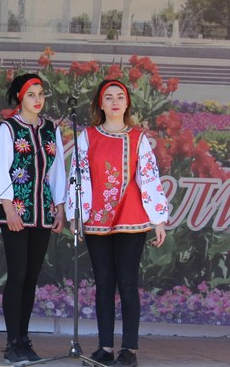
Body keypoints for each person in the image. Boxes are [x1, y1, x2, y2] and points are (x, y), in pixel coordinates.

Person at [67, 79, 168, 367]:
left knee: (127, 282)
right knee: (103, 283)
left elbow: (149, 177)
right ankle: (105, 347)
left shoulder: (138, 138)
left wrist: (158, 220)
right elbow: (78, 175)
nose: (114, 102)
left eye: (119, 97)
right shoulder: (87, 136)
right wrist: (77, 214)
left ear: (127, 103)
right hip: (97, 219)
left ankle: (129, 350)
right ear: (100, 104)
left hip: (131, 217)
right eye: (108, 97)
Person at [0, 73, 67, 363]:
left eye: (41, 94)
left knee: (31, 277)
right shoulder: (9, 128)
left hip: (43, 211)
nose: (38, 99)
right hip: (16, 210)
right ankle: (12, 343)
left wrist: (59, 207)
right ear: (21, 98)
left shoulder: (50, 129)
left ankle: (24, 338)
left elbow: (57, 170)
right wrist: (8, 209)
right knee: (17, 274)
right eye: (31, 94)